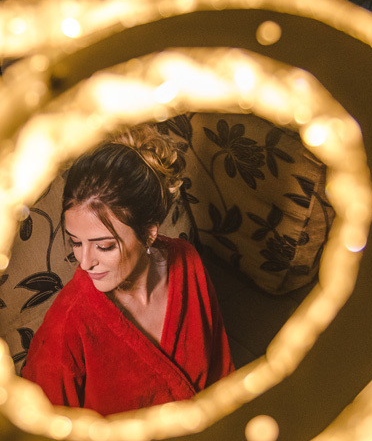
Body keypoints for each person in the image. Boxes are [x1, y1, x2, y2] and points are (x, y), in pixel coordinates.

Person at [22, 126, 234, 415]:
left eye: (104, 246)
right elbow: (49, 436)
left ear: (148, 233)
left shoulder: (187, 263)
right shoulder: (66, 327)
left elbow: (221, 371)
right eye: (75, 242)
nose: (85, 262)